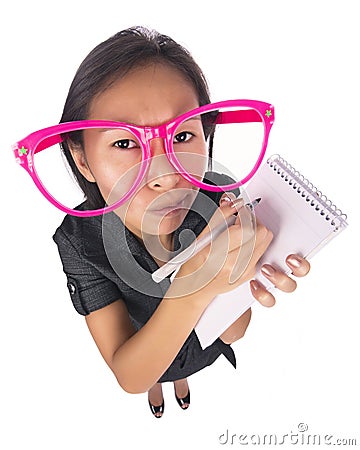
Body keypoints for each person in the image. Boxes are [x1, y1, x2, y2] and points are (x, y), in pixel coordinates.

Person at [15, 26, 310, 418]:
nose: (167, 174)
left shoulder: (220, 198)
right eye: (124, 143)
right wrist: (196, 286)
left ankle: (178, 377)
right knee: (153, 370)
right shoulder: (78, 242)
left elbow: (234, 331)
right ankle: (167, 378)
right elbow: (130, 375)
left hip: (201, 343)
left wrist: (245, 274)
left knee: (177, 365)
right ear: (82, 158)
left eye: (184, 135)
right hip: (143, 349)